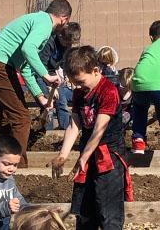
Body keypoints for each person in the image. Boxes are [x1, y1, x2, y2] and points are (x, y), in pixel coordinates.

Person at [0, 0, 71, 166]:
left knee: (6, 117)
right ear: (64, 19)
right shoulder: (45, 23)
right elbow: (29, 49)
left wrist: (40, 96)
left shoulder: (36, 20)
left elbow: (25, 67)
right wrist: (46, 75)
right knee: (21, 118)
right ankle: (17, 167)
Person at [51, 46, 133, 230]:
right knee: (85, 210)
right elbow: (74, 124)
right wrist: (63, 155)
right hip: (87, 157)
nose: (77, 87)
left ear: (95, 71)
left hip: (109, 158)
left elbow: (98, 130)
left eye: (80, 81)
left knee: (108, 211)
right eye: (74, 83)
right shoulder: (80, 92)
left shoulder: (108, 91)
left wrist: (83, 158)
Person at [38, 22, 81, 129]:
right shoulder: (49, 42)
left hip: (54, 75)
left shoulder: (66, 45)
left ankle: (65, 128)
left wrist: (69, 78)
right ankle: (45, 129)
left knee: (61, 101)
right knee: (48, 102)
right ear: (61, 35)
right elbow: (41, 65)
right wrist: (49, 84)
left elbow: (63, 62)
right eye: (67, 43)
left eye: (70, 44)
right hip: (40, 74)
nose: (68, 46)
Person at [131, 20, 160, 154]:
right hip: (157, 85)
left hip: (139, 83)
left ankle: (138, 140)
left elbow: (140, 67)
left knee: (140, 108)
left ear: (151, 37)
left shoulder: (147, 49)